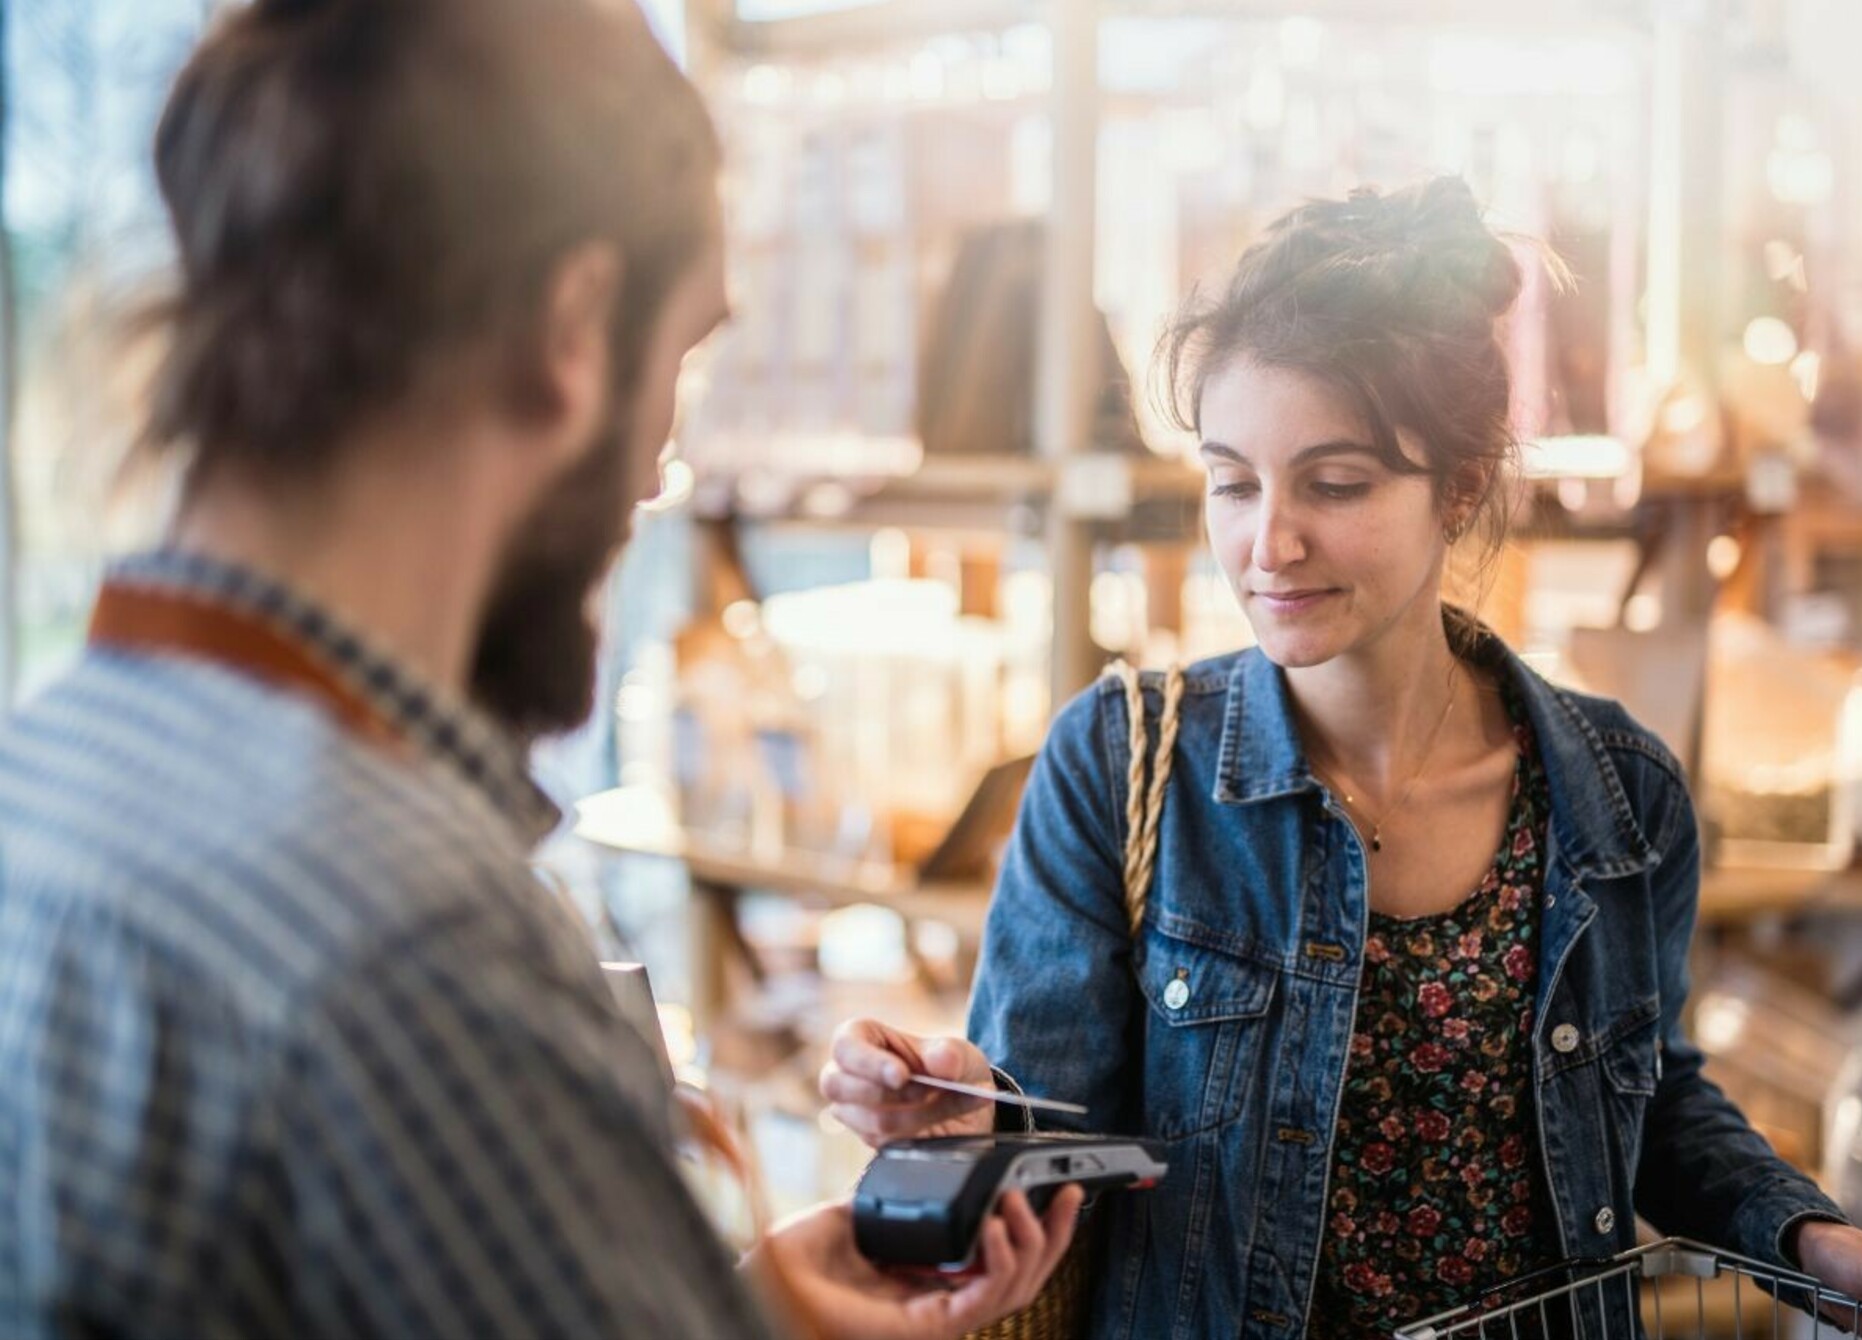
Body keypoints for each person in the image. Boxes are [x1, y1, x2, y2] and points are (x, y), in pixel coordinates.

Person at [0, 1, 1081, 1336]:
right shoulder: (419, 947)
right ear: (573, 332)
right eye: (680, 353)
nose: (657, 470)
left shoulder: (47, 777)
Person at [822, 179, 1862, 1338]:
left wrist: (1802, 1232)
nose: (1270, 542)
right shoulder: (1119, 762)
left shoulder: (1618, 791)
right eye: (1232, 482)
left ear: (1457, 487)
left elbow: (1646, 1101)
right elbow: (1057, 1131)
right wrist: (960, 1111)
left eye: (1335, 483)